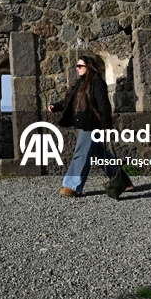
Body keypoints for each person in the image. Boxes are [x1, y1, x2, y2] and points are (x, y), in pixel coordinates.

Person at [48, 55, 132, 197]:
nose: (77, 68)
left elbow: (104, 106)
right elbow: (68, 101)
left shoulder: (97, 83)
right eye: (77, 66)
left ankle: (72, 185)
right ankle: (123, 181)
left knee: (81, 153)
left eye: (80, 66)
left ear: (89, 67)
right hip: (84, 124)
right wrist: (55, 106)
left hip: (93, 125)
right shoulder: (80, 83)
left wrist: (106, 126)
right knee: (99, 154)